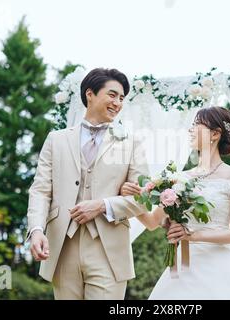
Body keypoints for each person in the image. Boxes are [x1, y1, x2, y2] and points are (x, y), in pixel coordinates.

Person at [121, 106, 230, 299]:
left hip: (221, 267)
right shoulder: (178, 179)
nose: (190, 129)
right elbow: (152, 222)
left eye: (196, 124)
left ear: (215, 134)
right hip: (183, 268)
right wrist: (131, 197)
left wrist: (191, 235)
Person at [27, 68, 149, 299]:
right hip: (63, 246)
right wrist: (35, 230)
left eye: (122, 98)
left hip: (108, 249)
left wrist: (103, 205)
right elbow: (40, 190)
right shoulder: (56, 139)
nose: (117, 103)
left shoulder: (132, 143)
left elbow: (144, 199)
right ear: (90, 94)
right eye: (112, 95)